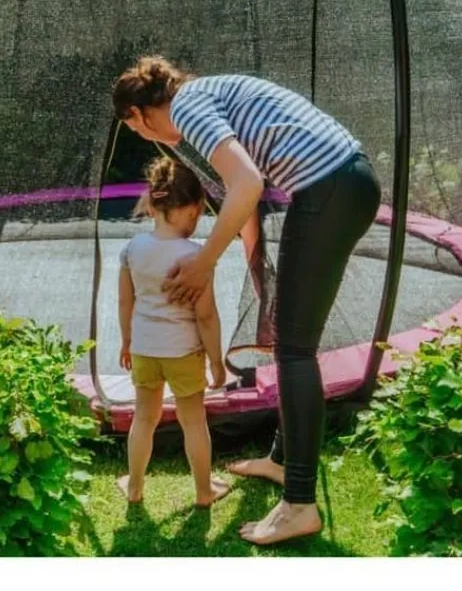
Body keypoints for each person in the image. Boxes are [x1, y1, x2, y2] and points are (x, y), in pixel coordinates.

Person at [111, 55, 381, 545]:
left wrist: (204, 260)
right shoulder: (203, 99)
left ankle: (299, 505)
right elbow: (246, 198)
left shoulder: (187, 106)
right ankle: (282, 461)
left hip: (331, 188)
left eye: (135, 130)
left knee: (295, 349)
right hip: (342, 183)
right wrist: (261, 277)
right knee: (290, 339)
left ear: (139, 114)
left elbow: (249, 183)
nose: (145, 138)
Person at [116, 155, 229, 508]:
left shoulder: (132, 250)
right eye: (197, 214)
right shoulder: (196, 257)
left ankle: (135, 487)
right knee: (193, 421)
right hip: (183, 352)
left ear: (153, 206)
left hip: (144, 350)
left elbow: (125, 302)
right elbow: (206, 316)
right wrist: (216, 361)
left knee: (143, 418)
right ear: (193, 210)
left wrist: (127, 341)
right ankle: (204, 491)